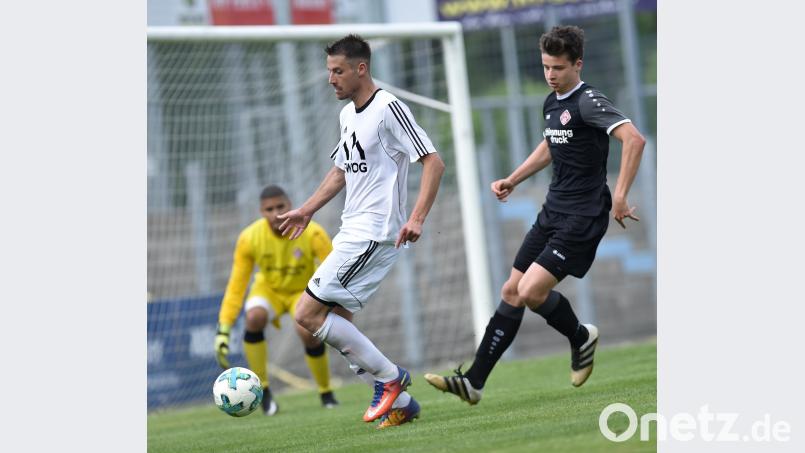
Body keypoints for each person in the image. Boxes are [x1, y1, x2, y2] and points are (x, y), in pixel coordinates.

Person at [424, 25, 646, 404]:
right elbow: (551, 145)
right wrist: (513, 178)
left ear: (578, 64)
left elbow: (634, 139)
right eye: (545, 67)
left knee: (529, 291)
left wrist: (621, 195)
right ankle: (474, 382)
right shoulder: (552, 101)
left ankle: (580, 337)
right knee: (511, 290)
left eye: (558, 67)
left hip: (584, 214)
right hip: (553, 209)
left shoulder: (589, 101)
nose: (550, 74)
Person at [277, 34, 446, 429]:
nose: (331, 79)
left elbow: (433, 162)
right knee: (337, 322)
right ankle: (402, 403)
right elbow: (340, 171)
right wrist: (306, 209)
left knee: (306, 312)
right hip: (352, 229)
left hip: (374, 232)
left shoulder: (388, 108)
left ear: (361, 69)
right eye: (329, 71)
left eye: (338, 71)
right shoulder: (348, 114)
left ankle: (390, 377)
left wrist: (417, 217)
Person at [214, 184, 347, 415]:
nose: (275, 213)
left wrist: (335, 306)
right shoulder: (249, 238)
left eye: (280, 206)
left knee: (306, 331)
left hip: (302, 291)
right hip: (269, 291)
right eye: (269, 209)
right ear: (261, 211)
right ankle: (264, 393)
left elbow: (334, 269)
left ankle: (326, 392)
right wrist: (224, 328)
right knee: (254, 317)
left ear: (290, 205)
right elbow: (237, 285)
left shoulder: (312, 232)